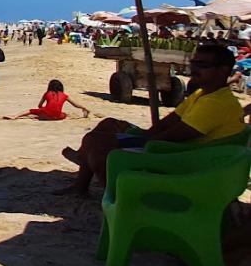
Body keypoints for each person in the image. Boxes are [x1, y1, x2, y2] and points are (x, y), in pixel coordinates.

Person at [58, 44, 244, 195]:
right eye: (194, 63)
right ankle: (81, 180)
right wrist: (138, 134)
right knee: (107, 126)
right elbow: (171, 120)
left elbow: (174, 136)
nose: (193, 69)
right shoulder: (202, 94)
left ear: (223, 70)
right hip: (178, 147)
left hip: (182, 156)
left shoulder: (216, 103)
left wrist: (133, 140)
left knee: (97, 146)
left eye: (202, 65)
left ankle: (115, 198)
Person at [3, 79, 89, 121]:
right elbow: (75, 104)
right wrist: (83, 107)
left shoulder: (47, 93)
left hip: (45, 114)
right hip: (57, 116)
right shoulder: (64, 95)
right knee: (65, 114)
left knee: (30, 111)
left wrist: (43, 108)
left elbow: (39, 105)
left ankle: (15, 116)